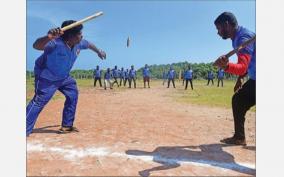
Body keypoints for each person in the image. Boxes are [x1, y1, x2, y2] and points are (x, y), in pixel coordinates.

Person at [26, 20, 106, 136]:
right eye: (79, 33)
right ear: (70, 36)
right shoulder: (54, 43)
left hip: (64, 77)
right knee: (39, 101)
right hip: (47, 77)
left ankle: (67, 126)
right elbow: (36, 45)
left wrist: (99, 51)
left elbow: (89, 44)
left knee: (73, 93)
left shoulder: (79, 43)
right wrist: (48, 37)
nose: (81, 35)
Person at [213, 12, 256, 146]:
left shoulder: (244, 38)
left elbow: (242, 67)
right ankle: (239, 138)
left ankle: (239, 137)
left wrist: (226, 66)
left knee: (239, 100)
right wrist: (239, 79)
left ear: (227, 25)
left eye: (219, 28)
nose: (218, 33)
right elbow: (247, 65)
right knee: (238, 100)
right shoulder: (236, 39)